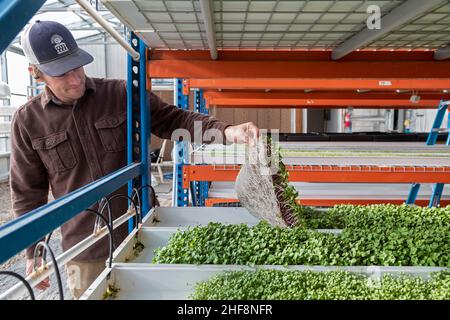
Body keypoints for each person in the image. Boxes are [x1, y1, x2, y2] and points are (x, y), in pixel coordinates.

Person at [10, 20, 259, 299]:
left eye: (77, 66)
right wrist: (33, 249)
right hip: (85, 250)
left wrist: (226, 131)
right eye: (62, 73)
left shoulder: (120, 94)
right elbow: (27, 192)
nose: (76, 79)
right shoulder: (27, 121)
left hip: (142, 229)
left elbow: (174, 119)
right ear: (36, 73)